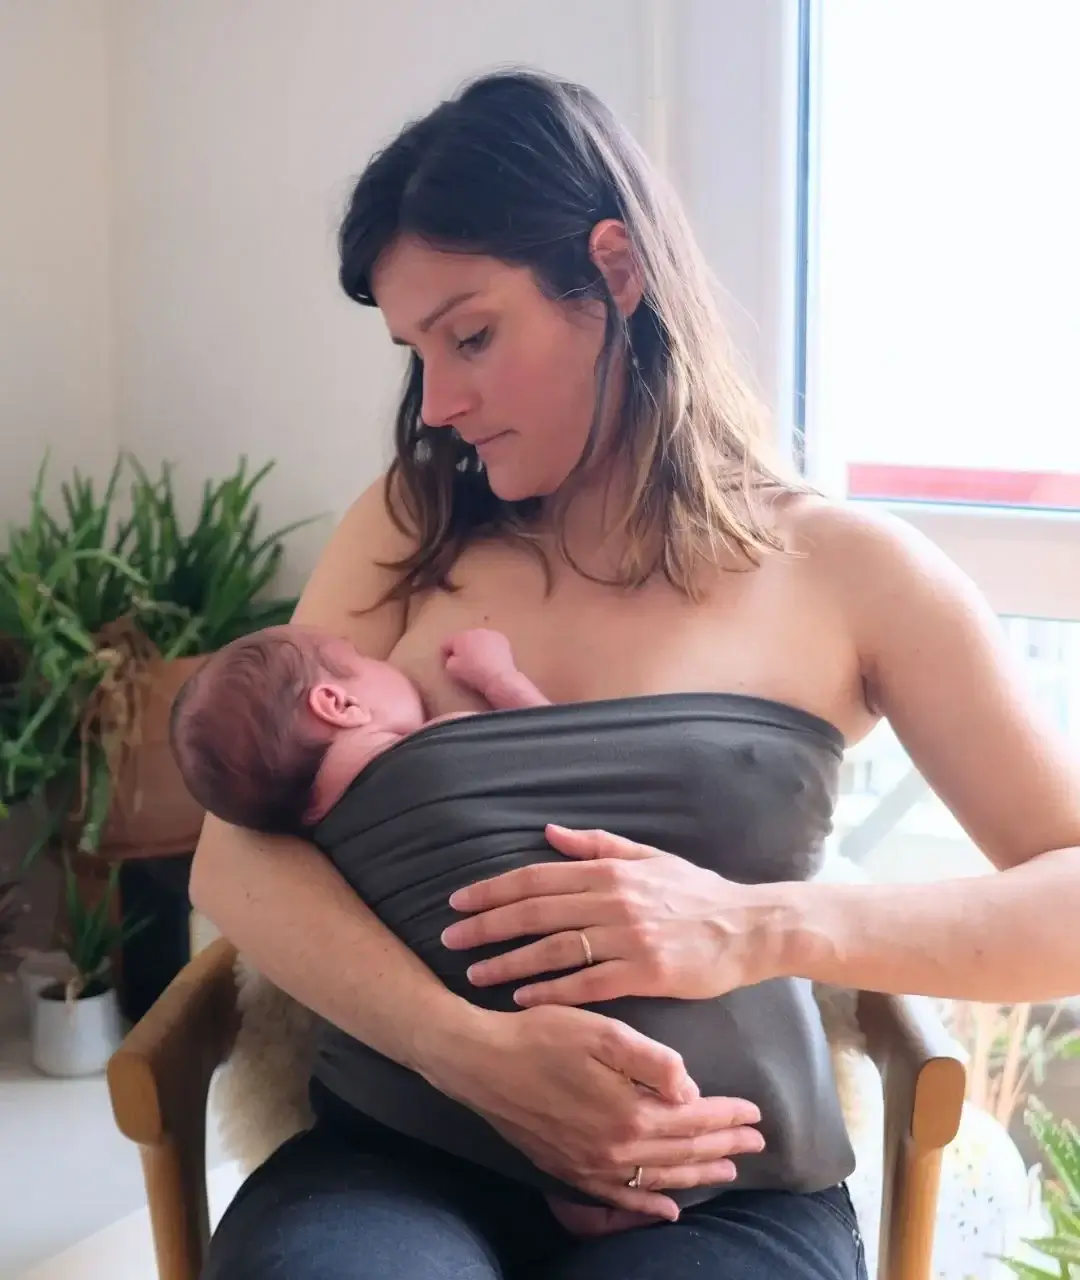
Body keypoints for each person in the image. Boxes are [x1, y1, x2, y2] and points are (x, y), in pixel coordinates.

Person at [190, 68, 1080, 1280]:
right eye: (416, 353)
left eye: (472, 334)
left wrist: (756, 923)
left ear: (612, 271)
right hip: (400, 1150)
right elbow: (238, 854)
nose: (437, 404)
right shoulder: (410, 523)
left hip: (716, 1189)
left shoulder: (849, 571)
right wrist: (471, 1055)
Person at [168, 624, 551, 833]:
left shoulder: (326, 854)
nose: (386, 662)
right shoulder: (440, 752)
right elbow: (567, 754)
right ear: (341, 705)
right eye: (363, 658)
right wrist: (499, 679)